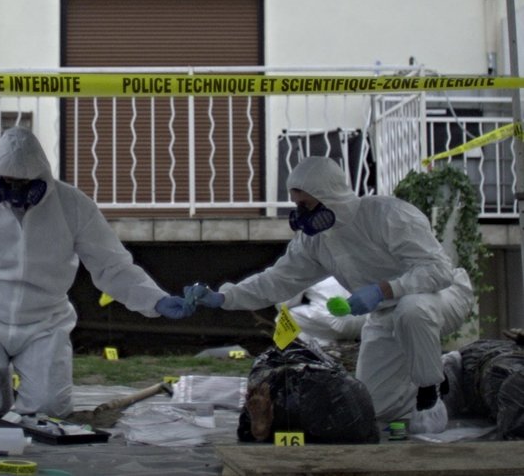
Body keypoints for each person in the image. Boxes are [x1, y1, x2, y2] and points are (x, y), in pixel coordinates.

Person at [185, 156, 474, 433]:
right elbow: (277, 281)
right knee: (372, 408)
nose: (300, 214)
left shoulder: (387, 214)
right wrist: (224, 297)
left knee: (412, 310)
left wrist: (384, 289)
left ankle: (429, 392)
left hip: (440, 295)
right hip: (385, 313)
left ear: (329, 196)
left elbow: (439, 270)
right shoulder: (316, 241)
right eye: (296, 205)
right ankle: (448, 373)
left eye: (305, 204)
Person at [0, 127, 192, 420]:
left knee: (50, 410)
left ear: (42, 178)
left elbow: (112, 265)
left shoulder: (73, 206)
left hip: (44, 323)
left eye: (24, 183)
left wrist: (155, 299)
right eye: (8, 182)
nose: (15, 191)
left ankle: (2, 390)